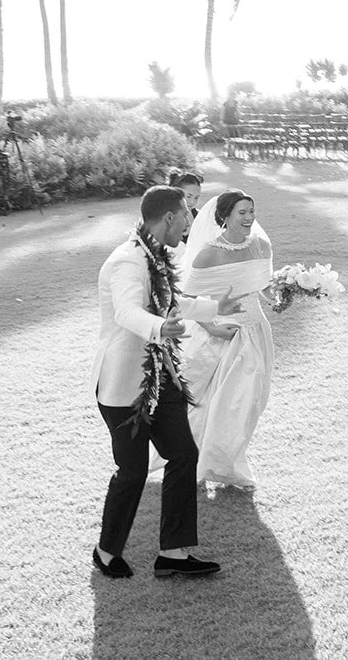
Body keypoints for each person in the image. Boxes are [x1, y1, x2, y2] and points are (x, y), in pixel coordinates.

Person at [92, 186, 246, 579]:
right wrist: (162, 327)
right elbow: (128, 312)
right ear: (169, 219)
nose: (191, 222)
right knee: (132, 471)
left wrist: (214, 307)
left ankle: (173, 554)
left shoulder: (156, 256)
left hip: (161, 380)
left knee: (182, 455)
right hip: (124, 386)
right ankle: (106, 551)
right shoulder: (128, 261)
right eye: (186, 215)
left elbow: (170, 302)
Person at [176, 189, 276, 489]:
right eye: (241, 212)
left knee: (248, 404)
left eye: (251, 211)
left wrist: (283, 296)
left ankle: (222, 461)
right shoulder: (208, 253)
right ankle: (216, 465)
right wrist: (213, 329)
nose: (249, 218)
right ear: (225, 216)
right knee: (220, 405)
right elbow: (187, 299)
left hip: (255, 332)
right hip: (220, 335)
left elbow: (265, 288)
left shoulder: (261, 245)